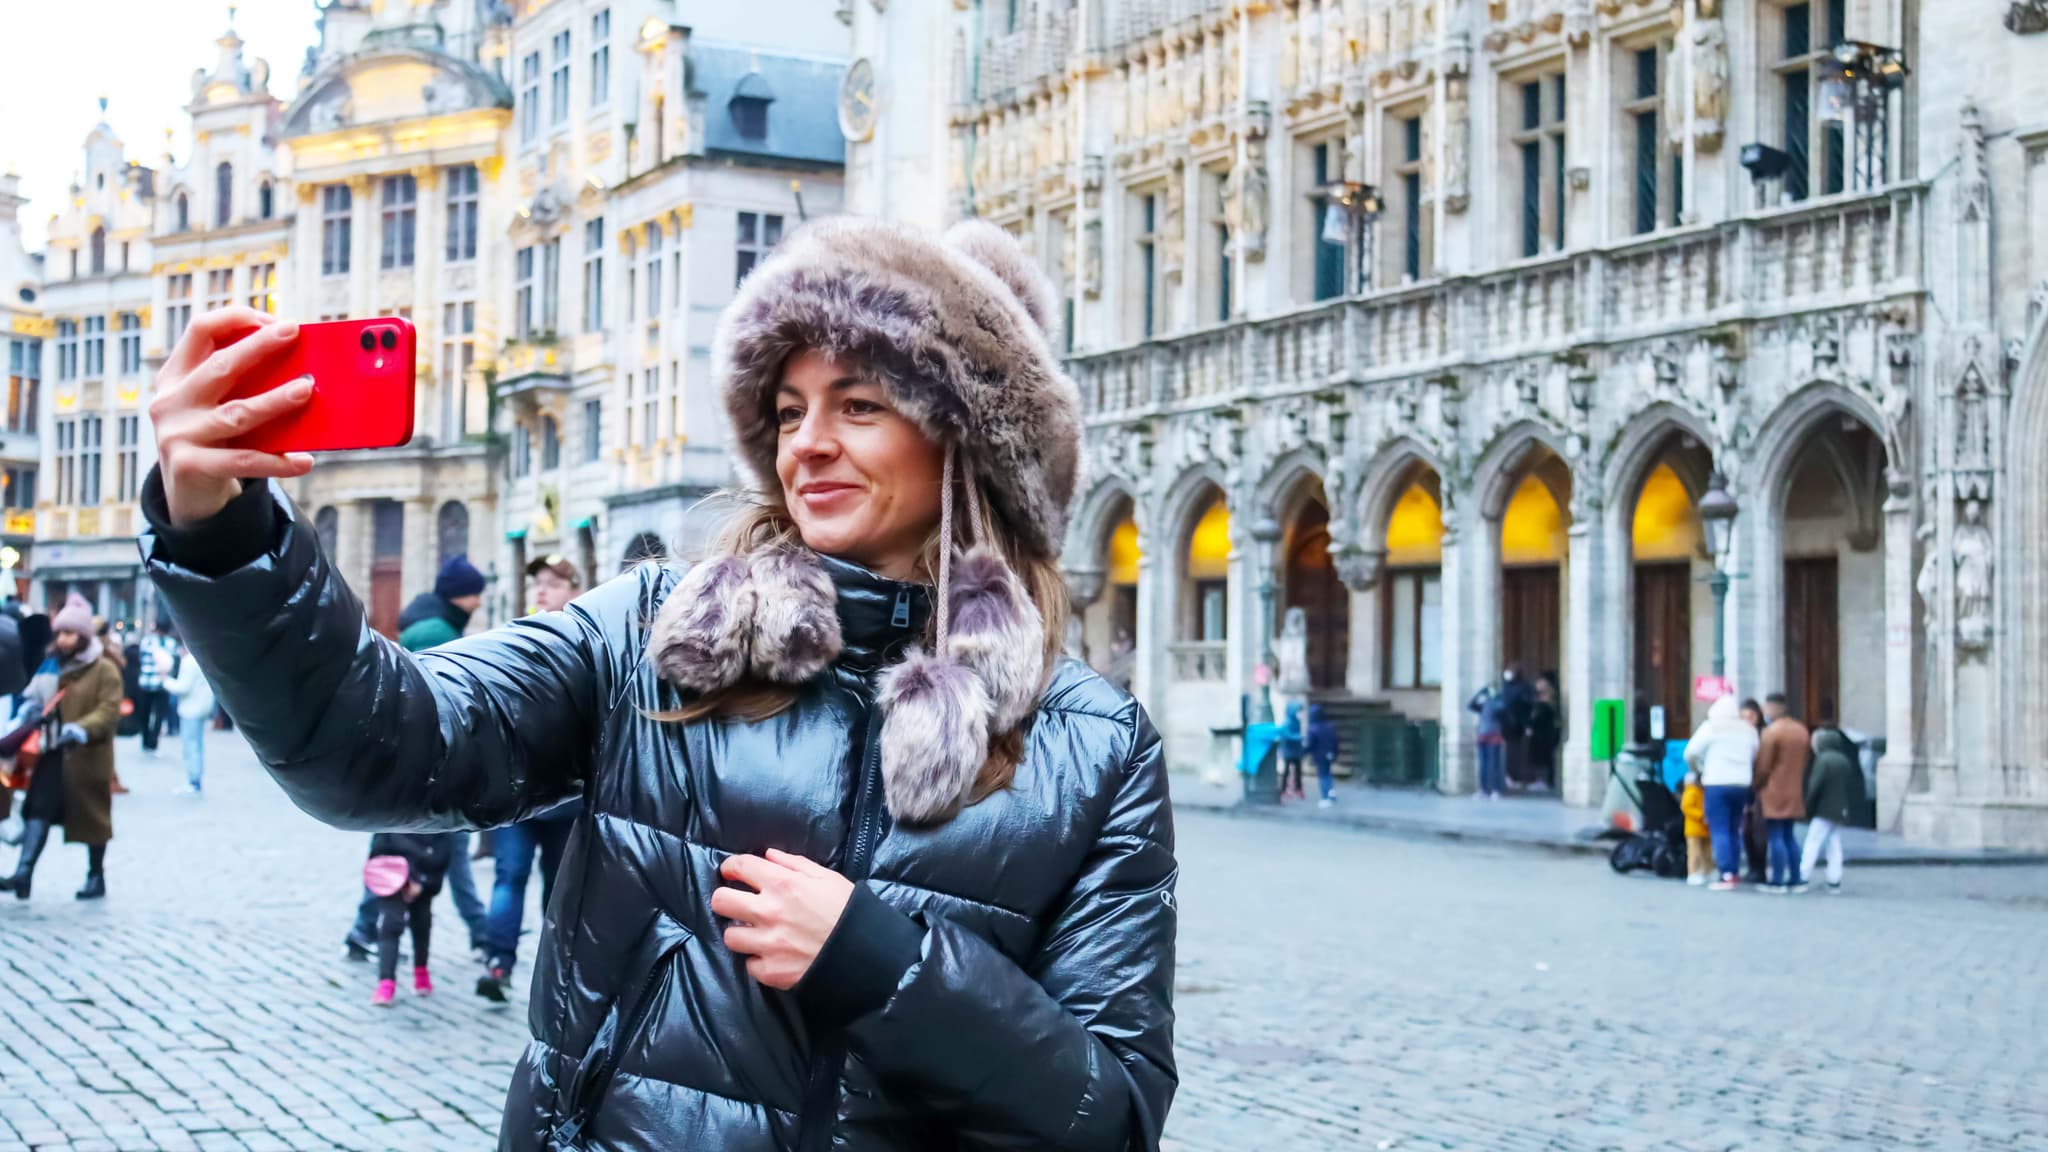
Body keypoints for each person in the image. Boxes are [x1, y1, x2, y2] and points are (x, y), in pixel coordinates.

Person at [141, 219, 1176, 1150]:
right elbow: (378, 744)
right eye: (786, 409)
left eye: (858, 405)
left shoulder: (1095, 746)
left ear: (966, 439)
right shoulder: (653, 632)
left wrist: (885, 964)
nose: (806, 442)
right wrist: (225, 535)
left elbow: (1111, 1116)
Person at [342, 554, 494, 961]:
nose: (479, 602)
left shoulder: (429, 622)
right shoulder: (436, 631)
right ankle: (481, 935)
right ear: (462, 595)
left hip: (413, 765)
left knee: (405, 850)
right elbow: (440, 698)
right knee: (441, 854)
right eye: (476, 594)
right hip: (428, 767)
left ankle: (365, 931)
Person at [476, 555, 589, 1004]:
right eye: (537, 583)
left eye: (554, 583)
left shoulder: (586, 643)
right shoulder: (515, 638)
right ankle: (498, 963)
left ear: (574, 591)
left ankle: (556, 975)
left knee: (559, 891)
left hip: (564, 795)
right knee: (510, 879)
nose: (542, 590)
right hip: (519, 791)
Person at [0, 594, 125, 900]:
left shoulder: (103, 670)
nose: (64, 639)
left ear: (83, 637)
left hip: (86, 757)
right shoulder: (51, 665)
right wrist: (30, 709)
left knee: (93, 819)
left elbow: (109, 710)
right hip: (52, 751)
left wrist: (81, 728)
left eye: (70, 634)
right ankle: (24, 873)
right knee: (37, 810)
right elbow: (34, 695)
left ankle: (96, 877)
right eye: (60, 633)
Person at [365, 831, 454, 1006]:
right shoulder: (391, 814)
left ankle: (421, 972)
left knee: (421, 923)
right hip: (391, 877)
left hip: (425, 877)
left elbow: (442, 856)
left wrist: (421, 883)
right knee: (391, 925)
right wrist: (405, 879)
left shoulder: (440, 824)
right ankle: (386, 982)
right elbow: (379, 848)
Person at [1684, 693, 1758, 891]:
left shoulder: (1711, 727)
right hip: (1742, 783)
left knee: (1719, 828)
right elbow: (1755, 752)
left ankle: (1726, 873)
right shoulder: (1747, 729)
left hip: (1717, 782)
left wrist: (1698, 768)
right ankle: (1734, 870)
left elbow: (1690, 752)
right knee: (1734, 828)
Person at [1753, 693, 1811, 893]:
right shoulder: (1801, 730)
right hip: (1795, 788)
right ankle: (1795, 877)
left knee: (1776, 835)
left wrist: (1756, 784)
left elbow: (1763, 766)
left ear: (1773, 707)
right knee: (1789, 835)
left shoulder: (1772, 733)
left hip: (1774, 789)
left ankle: (1777, 879)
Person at [1801, 724, 1865, 894]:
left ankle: (1803, 875)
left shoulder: (1823, 760)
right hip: (1839, 808)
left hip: (1824, 808)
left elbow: (1815, 785)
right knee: (1833, 844)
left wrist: (1808, 805)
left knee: (1813, 842)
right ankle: (1834, 879)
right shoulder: (1843, 760)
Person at [165, 639, 215, 795]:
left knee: (191, 746)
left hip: (190, 708)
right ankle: (195, 780)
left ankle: (193, 781)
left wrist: (165, 680)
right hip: (202, 707)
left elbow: (183, 687)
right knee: (197, 745)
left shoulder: (189, 662)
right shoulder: (204, 658)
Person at [1737, 697, 1768, 885]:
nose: (1746, 720)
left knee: (1758, 830)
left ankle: (1759, 868)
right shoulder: (1739, 735)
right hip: (1743, 784)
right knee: (1746, 830)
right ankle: (1752, 867)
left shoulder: (1762, 735)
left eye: (1750, 716)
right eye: (1743, 717)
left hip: (1758, 787)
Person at [1468, 676, 1514, 799]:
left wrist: (1495, 697)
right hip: (1483, 735)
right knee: (1483, 764)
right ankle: (1483, 789)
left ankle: (1495, 789)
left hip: (1494, 735)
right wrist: (1481, 692)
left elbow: (1503, 711)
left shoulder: (1498, 702)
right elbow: (1471, 704)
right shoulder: (1484, 702)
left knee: (1494, 763)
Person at [138, 620, 179, 753]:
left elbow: (141, 658)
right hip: (162, 683)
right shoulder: (171, 643)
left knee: (145, 713)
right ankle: (153, 743)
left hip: (146, 682)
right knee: (159, 715)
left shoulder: (147, 641)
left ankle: (145, 741)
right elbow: (173, 663)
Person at [1526, 673, 1561, 792]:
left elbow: (1543, 717)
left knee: (1545, 758)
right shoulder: (1537, 698)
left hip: (1545, 733)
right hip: (1538, 734)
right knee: (1538, 757)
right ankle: (1540, 780)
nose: (1537, 685)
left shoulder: (1549, 701)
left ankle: (1545, 781)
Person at [1679, 768, 1711, 886]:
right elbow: (1686, 807)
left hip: (1704, 827)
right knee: (1694, 852)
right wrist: (1701, 815)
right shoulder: (1691, 791)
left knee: (1706, 853)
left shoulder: (1703, 792)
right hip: (1694, 828)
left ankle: (1705, 871)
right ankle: (1693, 873)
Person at [1306, 702, 1339, 808]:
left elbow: (1310, 744)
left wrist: (1304, 752)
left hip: (1320, 755)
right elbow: (1335, 741)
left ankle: (1325, 798)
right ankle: (1332, 795)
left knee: (1323, 777)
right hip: (1330, 754)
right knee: (1328, 775)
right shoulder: (1330, 727)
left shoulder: (1313, 728)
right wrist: (1335, 753)